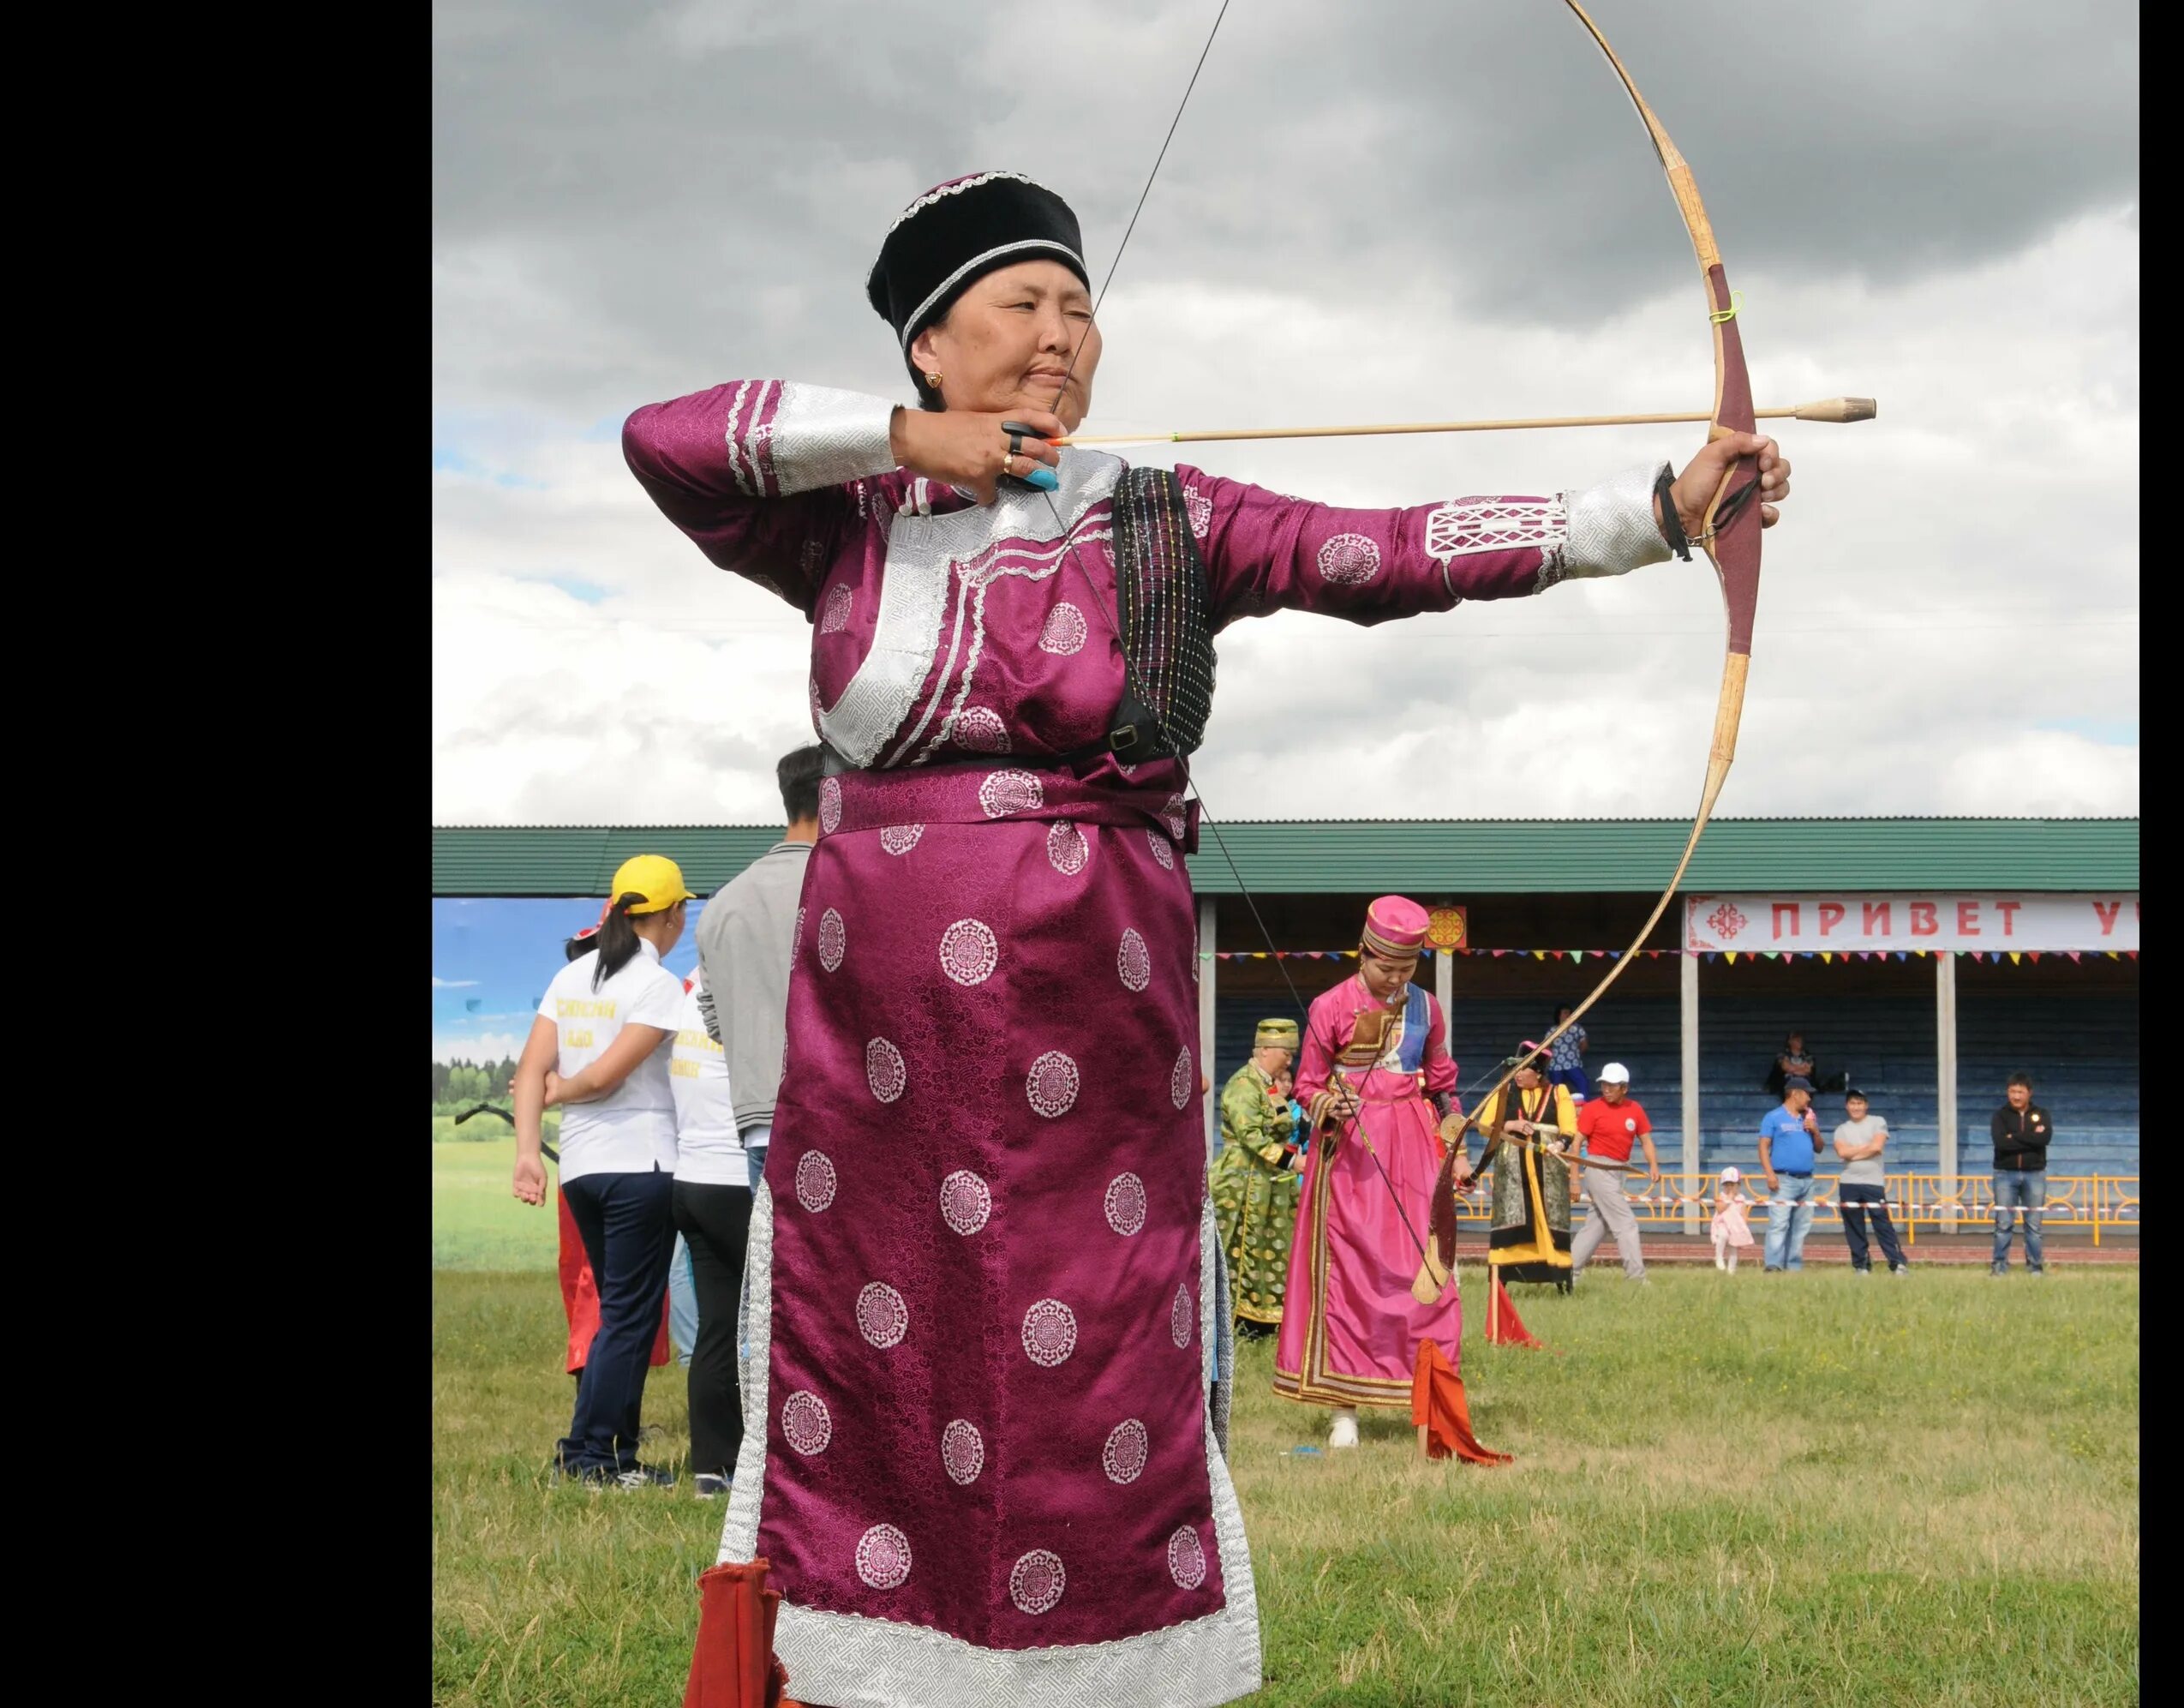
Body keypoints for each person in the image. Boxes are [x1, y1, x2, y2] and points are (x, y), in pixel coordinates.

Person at [625, 170, 1792, 1703]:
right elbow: (666, 438)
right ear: (926, 346)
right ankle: (872, 1669)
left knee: (1081, 1357)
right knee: (888, 1353)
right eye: (1021, 307)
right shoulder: (842, 523)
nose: (1062, 336)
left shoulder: (1163, 513)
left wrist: (1649, 513)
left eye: (1080, 307)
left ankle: (1102, 1670)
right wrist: (918, 447)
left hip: (1086, 1032)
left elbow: (1392, 547)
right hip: (881, 1064)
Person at [512, 855, 699, 1488]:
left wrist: (527, 1152)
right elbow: (602, 1075)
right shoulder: (655, 985)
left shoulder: (571, 975)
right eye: (681, 912)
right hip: (640, 1165)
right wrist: (564, 1089)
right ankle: (591, 1455)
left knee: (624, 1313)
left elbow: (529, 1071)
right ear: (671, 916)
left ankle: (610, 1453)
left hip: (583, 1171)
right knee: (629, 1315)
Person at [1277, 898, 1466, 1448]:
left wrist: (1454, 1120)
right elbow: (1307, 1085)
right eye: (1388, 969)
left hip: (1411, 1147)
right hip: (1351, 1152)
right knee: (1351, 1274)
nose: (1397, 980)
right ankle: (1344, 1409)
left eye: (1407, 971)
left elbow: (1440, 1080)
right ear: (1365, 954)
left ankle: (1432, 1400)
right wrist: (1324, 1105)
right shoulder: (1329, 1005)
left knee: (1424, 1272)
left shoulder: (1427, 1009)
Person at [691, 745, 824, 1195]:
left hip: (760, 1126)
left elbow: (716, 1023)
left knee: (772, 1264)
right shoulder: (853, 887)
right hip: (837, 1120)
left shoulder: (720, 906)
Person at [673, 969, 755, 1498]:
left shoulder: (691, 990)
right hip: (733, 1179)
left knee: (717, 1330)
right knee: (779, 1323)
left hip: (691, 1178)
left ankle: (713, 1466)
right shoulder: (746, 983)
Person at [1212, 1019, 1304, 1338]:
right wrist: (1293, 1161)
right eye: (1285, 1053)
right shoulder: (1243, 1085)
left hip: (1270, 1184)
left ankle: (1265, 1321)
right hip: (1241, 1182)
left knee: (1273, 1249)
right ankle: (1231, 1321)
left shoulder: (1270, 1086)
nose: (1290, 1060)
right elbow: (1250, 1136)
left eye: (1292, 1054)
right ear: (1264, 1050)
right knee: (1236, 1248)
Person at [1467, 1043, 1580, 1293]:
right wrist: (1510, 1125)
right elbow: (1485, 1126)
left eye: (1523, 1069)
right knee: (1512, 1216)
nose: (1517, 1074)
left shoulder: (1559, 1092)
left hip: (1548, 1170)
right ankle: (1503, 1278)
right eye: (1515, 1069)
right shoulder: (1504, 1092)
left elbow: (1569, 1128)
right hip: (1513, 1172)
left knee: (1550, 1219)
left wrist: (1561, 1144)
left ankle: (1560, 1277)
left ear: (1538, 1072)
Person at [1569, 1063, 1659, 1283]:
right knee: (1625, 1223)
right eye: (1604, 1084)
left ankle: (1568, 1270)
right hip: (1598, 1168)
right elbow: (1576, 1143)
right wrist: (1574, 1180)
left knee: (1596, 1226)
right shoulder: (1592, 1109)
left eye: (1612, 1085)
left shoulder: (1635, 1110)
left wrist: (1654, 1165)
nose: (1606, 1089)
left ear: (1624, 1088)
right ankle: (1636, 1278)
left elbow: (1646, 1140)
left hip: (1619, 1171)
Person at [1831, 1088, 1906, 1275]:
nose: (1856, 1107)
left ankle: (1896, 1262)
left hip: (1873, 1182)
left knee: (1882, 1223)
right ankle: (1861, 1264)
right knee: (1853, 1225)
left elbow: (1877, 1147)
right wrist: (1865, 1147)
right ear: (1847, 1106)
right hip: (1849, 1182)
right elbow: (1842, 1152)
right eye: (1852, 1103)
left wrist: (1853, 1152)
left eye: (1859, 1103)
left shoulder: (1877, 1122)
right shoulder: (1841, 1129)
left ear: (1866, 1105)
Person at [1757, 1076, 1824, 1272]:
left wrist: (1815, 1131)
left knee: (1801, 1227)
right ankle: (1773, 1264)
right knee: (1779, 1223)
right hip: (1783, 1179)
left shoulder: (1809, 1118)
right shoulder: (1773, 1117)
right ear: (1794, 1094)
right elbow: (1763, 1146)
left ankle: (1793, 1266)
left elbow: (1819, 1148)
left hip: (1807, 1180)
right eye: (1806, 1094)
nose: (1809, 1099)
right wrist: (1770, 1174)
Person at [1990, 1073, 2053, 1276]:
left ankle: (2035, 1266)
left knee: (2034, 1225)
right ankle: (1999, 1266)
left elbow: (2043, 1138)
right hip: (2004, 1174)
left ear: (2029, 1093)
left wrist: (2014, 1137)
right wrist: (2029, 1138)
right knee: (2004, 1223)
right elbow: (2001, 1143)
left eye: (2020, 1092)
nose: (2016, 1096)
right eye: (2012, 1092)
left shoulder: (2042, 1114)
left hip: (2034, 1174)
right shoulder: (2000, 1116)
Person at [1707, 1166, 1756, 1275]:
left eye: (1732, 1184)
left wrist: (1743, 1225)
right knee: (1723, 1235)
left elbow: (1743, 1213)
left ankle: (1731, 1271)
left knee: (1734, 1249)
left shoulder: (1741, 1198)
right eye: (1727, 1185)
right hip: (1723, 1223)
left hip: (1735, 1225)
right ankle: (1718, 1256)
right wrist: (1729, 1198)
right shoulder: (1722, 1196)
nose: (1729, 1187)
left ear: (1738, 1185)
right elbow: (1720, 1209)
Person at [1547, 1004, 1595, 1100]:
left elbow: (1584, 1044)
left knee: (1583, 1084)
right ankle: (1555, 1109)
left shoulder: (1577, 1029)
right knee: (1556, 1090)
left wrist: (1575, 1054)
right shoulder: (1552, 1030)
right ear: (1559, 1015)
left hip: (1572, 1064)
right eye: (1565, 1013)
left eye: (1569, 1013)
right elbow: (1546, 1047)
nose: (1568, 1015)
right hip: (1556, 1065)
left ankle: (1584, 1107)